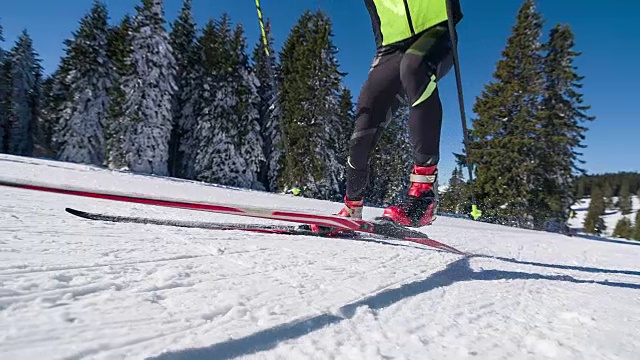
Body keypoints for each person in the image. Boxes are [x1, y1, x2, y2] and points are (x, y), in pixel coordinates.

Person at [335, 0, 463, 227]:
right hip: (390, 47)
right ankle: (352, 206)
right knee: (366, 118)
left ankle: (423, 197)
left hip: (436, 31)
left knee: (414, 67)